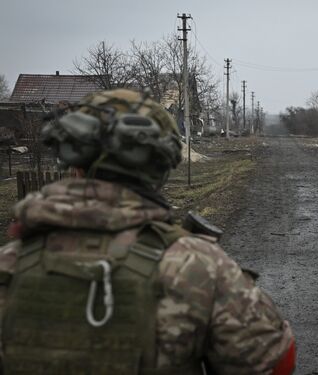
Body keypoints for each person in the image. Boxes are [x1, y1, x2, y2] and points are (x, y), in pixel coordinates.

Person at [0, 89, 295, 374]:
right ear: (158, 171)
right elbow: (274, 363)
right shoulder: (197, 267)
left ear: (75, 162)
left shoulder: (9, 265)